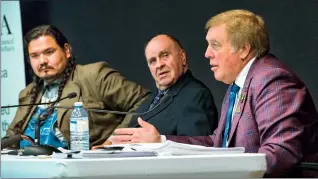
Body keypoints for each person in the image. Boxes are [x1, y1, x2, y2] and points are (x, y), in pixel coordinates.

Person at [109, 10, 318, 177]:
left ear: (244, 49)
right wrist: (161, 141)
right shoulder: (237, 86)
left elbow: (279, 154)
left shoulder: (272, 79)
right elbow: (217, 144)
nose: (207, 53)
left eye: (215, 46)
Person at [4, 24, 150, 149]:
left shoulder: (94, 76)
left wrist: (112, 141)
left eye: (49, 52)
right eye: (35, 56)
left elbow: (144, 101)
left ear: (66, 51)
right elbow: (10, 139)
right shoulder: (28, 93)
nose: (42, 61)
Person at [93, 34, 218, 149]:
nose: (159, 65)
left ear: (182, 57)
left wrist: (160, 141)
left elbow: (197, 149)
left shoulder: (196, 94)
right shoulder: (152, 99)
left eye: (165, 55)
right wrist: (106, 148)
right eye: (152, 61)